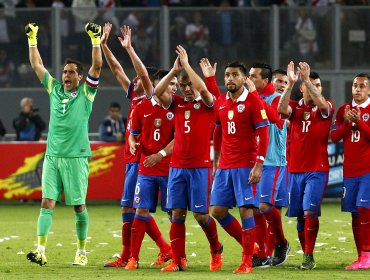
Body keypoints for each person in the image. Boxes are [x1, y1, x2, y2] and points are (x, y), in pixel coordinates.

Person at [25, 22, 102, 266]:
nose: (66, 75)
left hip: (76, 157)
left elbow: (98, 65)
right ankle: (40, 250)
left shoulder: (86, 94)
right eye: (65, 72)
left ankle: (81, 252)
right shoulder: (54, 89)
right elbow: (37, 65)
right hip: (52, 156)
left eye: (71, 72)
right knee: (47, 202)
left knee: (78, 206)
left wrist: (95, 40)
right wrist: (33, 39)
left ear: (80, 77)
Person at [101, 23, 169, 268]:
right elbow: (118, 71)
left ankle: (134, 254)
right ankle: (159, 250)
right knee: (132, 208)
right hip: (133, 159)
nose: (133, 81)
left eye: (139, 79)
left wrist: (129, 49)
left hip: (144, 161)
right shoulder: (136, 98)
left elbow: (139, 74)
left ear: (147, 81)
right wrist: (104, 46)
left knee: (134, 208)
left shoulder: (152, 97)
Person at [154, 45, 223, 272]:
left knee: (201, 216)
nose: (186, 89)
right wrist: (174, 72)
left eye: (188, 84)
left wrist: (187, 67)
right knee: (177, 213)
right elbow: (157, 92)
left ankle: (216, 249)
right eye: (182, 86)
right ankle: (178, 260)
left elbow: (203, 88)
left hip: (199, 168)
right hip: (177, 167)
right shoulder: (178, 103)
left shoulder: (207, 104)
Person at [210, 61, 269, 274]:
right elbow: (218, 131)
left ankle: (247, 262)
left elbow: (264, 133)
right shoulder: (221, 102)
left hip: (246, 165)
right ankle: (251, 246)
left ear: (244, 79)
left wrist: (259, 164)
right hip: (225, 165)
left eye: (234, 75)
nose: (229, 79)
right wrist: (216, 161)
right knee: (217, 210)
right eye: (226, 75)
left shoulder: (254, 101)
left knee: (246, 210)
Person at [277, 61, 334, 270]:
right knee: (301, 215)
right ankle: (305, 253)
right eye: (311, 84)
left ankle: (308, 256)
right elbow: (281, 109)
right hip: (294, 170)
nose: (315, 88)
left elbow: (322, 105)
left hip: (317, 170)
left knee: (310, 212)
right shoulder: (295, 107)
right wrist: (291, 83)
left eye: (318, 85)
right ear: (301, 88)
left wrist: (307, 81)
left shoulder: (325, 106)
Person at [124, 69, 177, 270]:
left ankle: (177, 257)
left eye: (175, 85)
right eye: (169, 84)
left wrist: (161, 155)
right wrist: (131, 143)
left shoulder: (177, 109)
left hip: (170, 169)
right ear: (157, 87)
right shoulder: (141, 107)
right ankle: (133, 259)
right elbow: (133, 134)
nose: (173, 88)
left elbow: (178, 138)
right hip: (146, 169)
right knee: (141, 209)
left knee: (174, 213)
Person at [248, 63, 290, 267]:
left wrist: (253, 96)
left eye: (253, 76)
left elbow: (277, 120)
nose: (282, 84)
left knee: (266, 207)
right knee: (257, 210)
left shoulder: (277, 101)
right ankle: (262, 254)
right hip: (255, 160)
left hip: (274, 161)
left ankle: (281, 243)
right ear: (271, 82)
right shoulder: (253, 98)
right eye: (279, 81)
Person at [331, 73, 370, 270]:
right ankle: (361, 256)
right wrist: (346, 122)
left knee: (364, 209)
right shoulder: (343, 110)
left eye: (362, 86)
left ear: (369, 90)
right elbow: (335, 136)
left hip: (367, 170)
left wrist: (360, 122)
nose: (357, 89)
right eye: (355, 85)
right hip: (350, 171)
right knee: (355, 213)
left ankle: (367, 255)